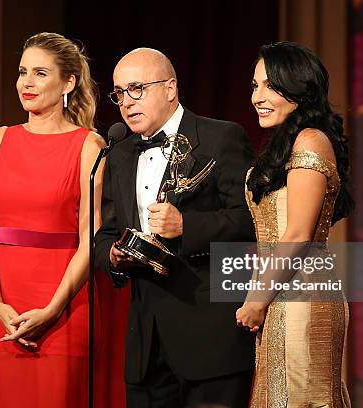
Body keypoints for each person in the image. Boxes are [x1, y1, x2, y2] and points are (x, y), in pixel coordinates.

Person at [94, 48, 257, 408]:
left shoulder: (221, 138)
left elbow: (253, 221)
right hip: (146, 345)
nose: (126, 102)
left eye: (137, 88)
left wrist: (187, 225)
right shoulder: (118, 152)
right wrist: (113, 254)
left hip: (210, 340)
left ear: (170, 88)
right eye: (119, 93)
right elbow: (105, 233)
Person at [0, 32, 117, 407]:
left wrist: (52, 309)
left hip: (64, 308)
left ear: (68, 82)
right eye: (23, 72)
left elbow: (92, 238)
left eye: (40, 73)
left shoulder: (89, 145)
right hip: (6, 310)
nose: (27, 83)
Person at [236, 41, 353, 407]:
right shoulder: (286, 144)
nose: (258, 96)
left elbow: (299, 234)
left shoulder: (311, 141)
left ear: (299, 88)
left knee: (301, 396)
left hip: (302, 297)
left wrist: (257, 298)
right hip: (281, 292)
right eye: (255, 85)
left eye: (271, 85)